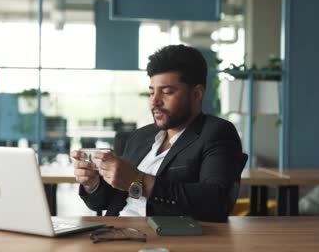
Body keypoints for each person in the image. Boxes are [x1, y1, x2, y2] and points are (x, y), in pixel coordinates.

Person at [72, 44, 244, 222]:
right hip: (114, 233)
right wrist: (92, 184)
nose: (154, 101)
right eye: (151, 92)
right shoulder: (140, 137)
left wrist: (138, 180)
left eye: (167, 92)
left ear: (197, 93)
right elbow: (109, 201)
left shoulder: (216, 133)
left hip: (165, 240)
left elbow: (215, 201)